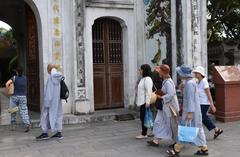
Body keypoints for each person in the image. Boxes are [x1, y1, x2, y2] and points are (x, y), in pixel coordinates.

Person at [166, 65, 209, 156]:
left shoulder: (189, 84)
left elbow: (190, 99)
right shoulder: (191, 82)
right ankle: (204, 149)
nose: (179, 75)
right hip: (195, 111)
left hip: (191, 111)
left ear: (184, 74)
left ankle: (176, 149)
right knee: (197, 130)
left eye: (180, 73)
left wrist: (189, 112)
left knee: (186, 130)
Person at [147, 64, 179, 147]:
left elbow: (171, 94)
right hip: (164, 106)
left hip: (170, 107)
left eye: (160, 71)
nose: (159, 72)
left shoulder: (168, 82)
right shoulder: (166, 80)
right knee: (159, 122)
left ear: (163, 72)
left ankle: (177, 143)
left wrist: (161, 97)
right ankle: (156, 140)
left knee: (173, 125)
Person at [193, 66, 223, 139]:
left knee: (202, 117)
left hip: (204, 103)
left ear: (200, 74)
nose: (195, 74)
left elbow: (208, 94)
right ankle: (216, 129)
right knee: (202, 118)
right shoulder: (197, 82)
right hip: (199, 103)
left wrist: (212, 105)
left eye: (197, 73)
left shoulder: (204, 82)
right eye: (195, 73)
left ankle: (215, 129)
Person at [36, 64, 64, 140]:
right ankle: (59, 133)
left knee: (44, 116)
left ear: (49, 70)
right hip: (57, 101)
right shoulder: (59, 77)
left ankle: (44, 133)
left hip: (50, 101)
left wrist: (46, 103)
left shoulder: (50, 78)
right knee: (58, 115)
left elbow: (48, 92)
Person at [5, 67, 31, 132]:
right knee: (24, 111)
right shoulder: (25, 78)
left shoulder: (14, 78)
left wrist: (8, 90)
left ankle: (13, 126)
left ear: (16, 72)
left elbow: (7, 83)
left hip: (14, 97)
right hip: (23, 97)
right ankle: (27, 124)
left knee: (13, 111)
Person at [136, 64, 153, 139]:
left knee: (144, 117)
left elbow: (149, 91)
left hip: (145, 102)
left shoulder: (148, 79)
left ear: (144, 70)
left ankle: (144, 133)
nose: (140, 71)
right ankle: (145, 132)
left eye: (141, 69)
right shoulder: (143, 78)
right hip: (141, 101)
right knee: (143, 117)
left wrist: (148, 102)